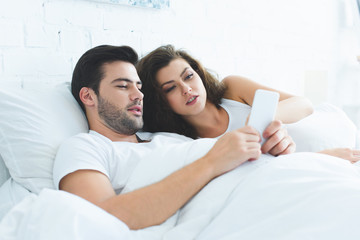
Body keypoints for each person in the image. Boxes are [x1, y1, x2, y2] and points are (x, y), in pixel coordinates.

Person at [52, 45, 264, 230]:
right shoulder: (86, 147)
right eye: (123, 86)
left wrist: (265, 145)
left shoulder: (169, 137)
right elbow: (100, 217)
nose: (138, 95)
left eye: (139, 86)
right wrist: (211, 163)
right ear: (88, 96)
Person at [136, 45, 360, 162]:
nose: (187, 89)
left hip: (332, 126)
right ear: (160, 101)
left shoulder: (231, 89)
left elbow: (304, 104)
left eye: (188, 76)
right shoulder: (190, 144)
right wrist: (322, 159)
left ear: (199, 74)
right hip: (322, 156)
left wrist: (260, 121)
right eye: (171, 88)